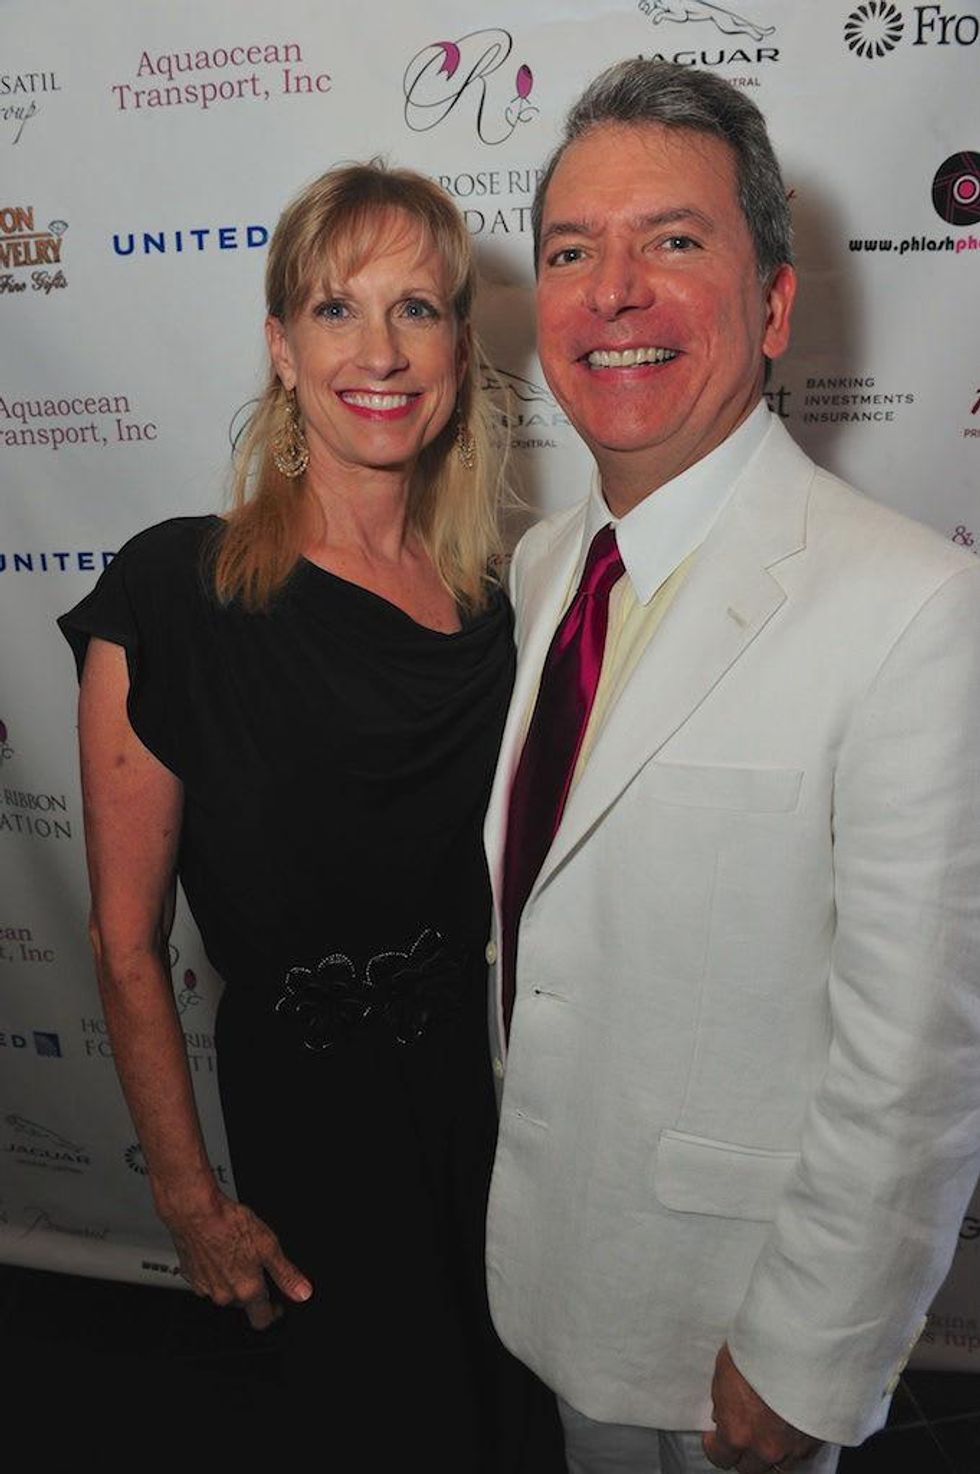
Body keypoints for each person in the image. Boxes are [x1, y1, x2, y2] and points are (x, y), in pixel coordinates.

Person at [483, 59, 980, 1474]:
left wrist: (812, 1356)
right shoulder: (545, 567)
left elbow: (921, 1055)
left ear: (772, 305)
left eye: (675, 241)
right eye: (574, 251)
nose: (614, 291)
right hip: (564, 1273)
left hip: (736, 1348)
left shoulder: (911, 609)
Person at [60, 162, 563, 1470]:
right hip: (318, 1150)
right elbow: (124, 944)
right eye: (337, 311)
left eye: (418, 309)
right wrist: (188, 1193)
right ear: (282, 350)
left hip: (501, 1127)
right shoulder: (176, 594)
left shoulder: (502, 609)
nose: (381, 352)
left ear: (461, 345)